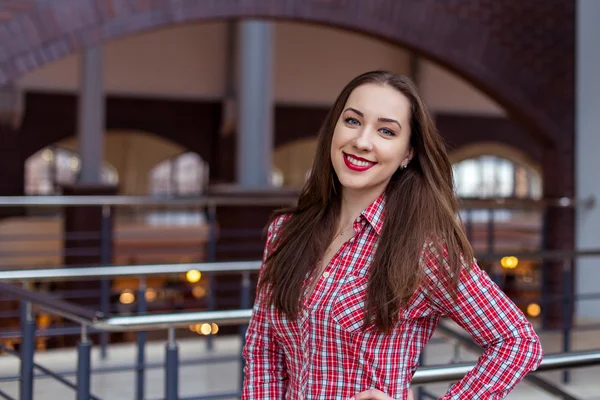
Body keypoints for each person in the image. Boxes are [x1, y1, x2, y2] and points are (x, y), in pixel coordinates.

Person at [242, 70, 543, 399]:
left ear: (407, 153)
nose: (362, 141)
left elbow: (517, 341)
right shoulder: (285, 231)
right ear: (334, 129)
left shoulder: (423, 250)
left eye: (386, 131)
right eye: (353, 121)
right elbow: (264, 354)